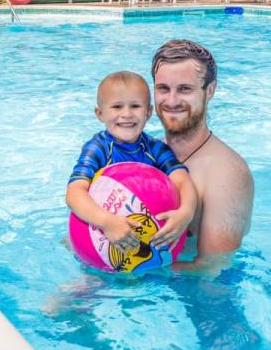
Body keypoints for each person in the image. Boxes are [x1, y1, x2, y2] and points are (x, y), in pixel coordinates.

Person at [66, 71, 197, 262]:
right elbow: (74, 193)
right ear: (100, 114)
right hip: (101, 235)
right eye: (117, 107)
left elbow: (183, 180)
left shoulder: (156, 149)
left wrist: (186, 212)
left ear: (148, 112)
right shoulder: (98, 149)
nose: (126, 114)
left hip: (147, 238)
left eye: (135, 106)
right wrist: (108, 222)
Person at [151, 40, 254, 266]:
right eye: (163, 89)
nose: (172, 101)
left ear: (210, 91)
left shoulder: (227, 174)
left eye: (185, 89)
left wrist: (131, 273)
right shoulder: (147, 154)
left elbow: (212, 270)